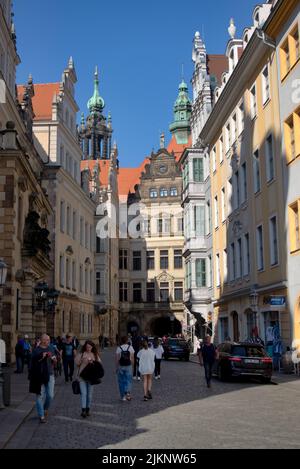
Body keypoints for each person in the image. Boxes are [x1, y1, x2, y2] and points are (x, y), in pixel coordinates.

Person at [29, 334, 57, 423]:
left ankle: (45, 408)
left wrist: (55, 360)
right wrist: (41, 356)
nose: (48, 341)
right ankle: (41, 416)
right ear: (42, 340)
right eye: (47, 340)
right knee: (39, 396)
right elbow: (33, 361)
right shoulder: (36, 350)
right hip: (39, 376)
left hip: (50, 374)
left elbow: (54, 360)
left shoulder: (51, 348)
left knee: (50, 395)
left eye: (49, 340)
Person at [75, 341, 102, 418]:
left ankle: (87, 409)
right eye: (87, 347)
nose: (88, 348)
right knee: (84, 394)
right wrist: (82, 360)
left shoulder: (95, 355)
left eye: (90, 347)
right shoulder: (81, 354)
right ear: (85, 347)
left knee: (89, 395)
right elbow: (77, 363)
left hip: (91, 377)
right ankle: (83, 410)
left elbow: (99, 364)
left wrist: (93, 362)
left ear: (92, 347)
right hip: (82, 377)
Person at [116, 336, 134, 402]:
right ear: (127, 341)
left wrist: (117, 367)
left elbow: (117, 359)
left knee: (121, 381)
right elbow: (132, 358)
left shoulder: (119, 348)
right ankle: (128, 393)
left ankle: (123, 396)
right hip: (128, 365)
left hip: (121, 366)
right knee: (128, 380)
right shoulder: (130, 347)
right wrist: (133, 365)